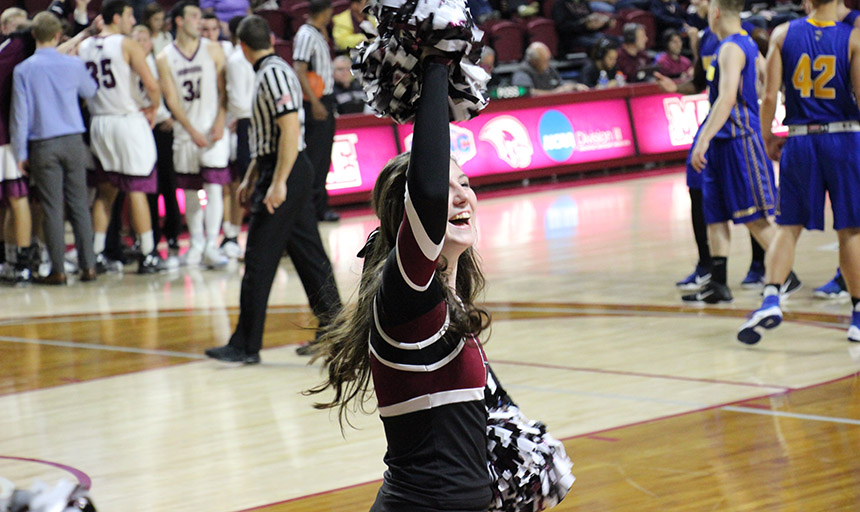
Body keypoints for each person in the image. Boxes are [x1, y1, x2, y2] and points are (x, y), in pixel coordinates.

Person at [306, 58, 494, 512]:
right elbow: (426, 195)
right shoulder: (406, 296)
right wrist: (434, 63)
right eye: (447, 187)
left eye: (465, 183)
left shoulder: (447, 296)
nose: (462, 195)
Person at [204, 15, 342, 363]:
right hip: (277, 167)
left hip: (287, 171)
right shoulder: (271, 70)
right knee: (310, 255)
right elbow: (269, 136)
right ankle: (337, 332)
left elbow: (290, 130)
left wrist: (277, 182)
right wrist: (253, 174)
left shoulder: (273, 74)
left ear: (242, 45)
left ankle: (245, 346)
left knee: (259, 259)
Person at [738, 0, 860, 344]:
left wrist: (766, 138)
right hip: (844, 139)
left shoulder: (783, 33)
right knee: (850, 229)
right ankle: (858, 317)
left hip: (801, 141)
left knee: (788, 226)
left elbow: (769, 97)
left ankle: (771, 298)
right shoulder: (853, 39)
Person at [683, 0, 800, 304]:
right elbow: (766, 80)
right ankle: (718, 285)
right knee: (715, 215)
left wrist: (703, 138)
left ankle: (786, 275)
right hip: (725, 141)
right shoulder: (746, 43)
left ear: (716, 13)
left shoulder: (731, 48)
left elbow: (726, 98)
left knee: (754, 217)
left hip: (738, 140)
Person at [654, 14, 770, 292]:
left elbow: (741, 90)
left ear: (716, 8)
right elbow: (702, 83)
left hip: (736, 131)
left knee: (752, 212)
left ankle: (768, 268)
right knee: (707, 201)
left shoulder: (743, 39)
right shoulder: (709, 40)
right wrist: (676, 88)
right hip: (717, 129)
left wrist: (763, 104)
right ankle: (712, 274)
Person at [10, 11, 98, 285]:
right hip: (73, 139)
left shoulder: (23, 69)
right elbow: (91, 91)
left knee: (51, 207)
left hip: (43, 143)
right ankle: (89, 266)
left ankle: (58, 269)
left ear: (34, 35)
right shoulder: (72, 65)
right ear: (59, 35)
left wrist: (20, 153)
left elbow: (20, 115)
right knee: (80, 205)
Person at [79, 0, 166, 274]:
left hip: (99, 122)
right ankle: (148, 253)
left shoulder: (84, 46)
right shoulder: (126, 44)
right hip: (126, 121)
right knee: (137, 189)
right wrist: (153, 108)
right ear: (117, 17)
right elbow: (152, 85)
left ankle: (96, 254)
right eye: (129, 16)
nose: (133, 21)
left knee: (106, 192)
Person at [157, 0, 231, 268]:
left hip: (213, 129)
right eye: (194, 16)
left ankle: (212, 243)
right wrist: (190, 129)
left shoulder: (214, 50)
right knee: (189, 192)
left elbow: (225, 90)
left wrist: (221, 121)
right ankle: (197, 244)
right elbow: (172, 100)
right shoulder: (164, 56)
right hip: (186, 133)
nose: (199, 22)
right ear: (179, 20)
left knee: (214, 187)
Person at [293, 0, 339, 222]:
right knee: (316, 158)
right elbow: (299, 69)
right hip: (315, 101)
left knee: (322, 158)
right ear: (325, 11)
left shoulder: (317, 33)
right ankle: (312, 208)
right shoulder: (306, 35)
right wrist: (315, 102)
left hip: (325, 99)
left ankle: (319, 206)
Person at [221, 14, 255, 258]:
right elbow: (238, 101)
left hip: (247, 123)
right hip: (244, 125)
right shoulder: (235, 59)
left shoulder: (240, 58)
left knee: (247, 184)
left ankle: (239, 235)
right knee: (241, 184)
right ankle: (233, 235)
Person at [512, 42, 588, 95]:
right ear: (533, 61)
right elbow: (525, 93)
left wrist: (574, 86)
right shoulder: (522, 72)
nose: (547, 63)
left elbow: (560, 84)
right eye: (544, 61)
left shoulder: (550, 69)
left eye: (548, 60)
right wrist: (553, 93)